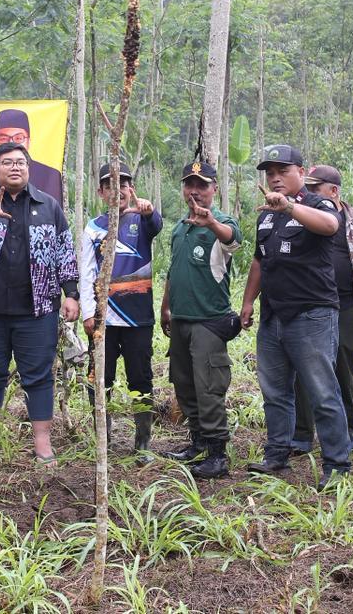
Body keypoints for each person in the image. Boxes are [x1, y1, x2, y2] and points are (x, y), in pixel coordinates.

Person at [0, 142, 80, 465]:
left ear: (29, 168)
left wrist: (71, 293)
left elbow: (64, 251)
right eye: (7, 162)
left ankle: (43, 444)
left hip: (37, 311)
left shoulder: (48, 205)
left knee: (38, 376)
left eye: (21, 162)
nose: (15, 167)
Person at [239, 146, 350, 489]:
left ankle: (337, 465)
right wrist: (248, 302)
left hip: (312, 315)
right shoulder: (265, 215)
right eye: (269, 172)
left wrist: (289, 206)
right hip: (274, 315)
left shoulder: (318, 204)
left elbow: (330, 225)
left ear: (301, 172)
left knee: (322, 392)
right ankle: (277, 454)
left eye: (282, 171)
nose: (274, 178)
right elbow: (259, 260)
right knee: (274, 391)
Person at [290, 164, 353, 457]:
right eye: (307, 188)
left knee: (344, 367)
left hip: (344, 305)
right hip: (309, 305)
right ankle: (302, 433)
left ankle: (349, 430)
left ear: (333, 191)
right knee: (304, 369)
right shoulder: (301, 215)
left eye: (315, 189)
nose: (309, 193)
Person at [159, 160, 242, 480]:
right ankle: (198, 444)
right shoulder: (180, 228)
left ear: (214, 189)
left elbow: (233, 241)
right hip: (181, 320)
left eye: (202, 185)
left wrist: (211, 223)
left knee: (208, 388)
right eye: (189, 184)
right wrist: (165, 307)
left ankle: (217, 454)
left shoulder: (222, 223)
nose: (195, 191)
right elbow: (173, 270)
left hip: (209, 321)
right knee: (185, 385)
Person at [77, 161, 163, 457]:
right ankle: (104, 437)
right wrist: (89, 313)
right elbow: (87, 272)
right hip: (103, 320)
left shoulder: (142, 219)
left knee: (141, 378)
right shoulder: (94, 227)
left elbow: (157, 225)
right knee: (99, 378)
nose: (118, 190)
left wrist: (148, 211)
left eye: (123, 185)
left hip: (138, 318)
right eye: (110, 185)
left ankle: (143, 442)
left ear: (131, 189)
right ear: (101, 192)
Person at [0, 108, 64, 263]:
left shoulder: (50, 186)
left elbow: (64, 248)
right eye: (4, 138)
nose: (15, 167)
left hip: (36, 276)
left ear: (28, 141)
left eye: (18, 137)